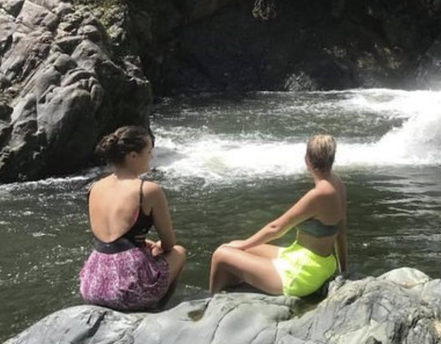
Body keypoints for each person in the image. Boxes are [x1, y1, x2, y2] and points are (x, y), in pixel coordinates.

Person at [209, 134, 347, 297]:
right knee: (234, 244)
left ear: (307, 160)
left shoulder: (318, 194)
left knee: (221, 254)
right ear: (332, 159)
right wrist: (343, 269)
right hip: (319, 262)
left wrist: (244, 245)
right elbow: (341, 229)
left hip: (302, 274)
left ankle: (210, 302)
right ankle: (230, 292)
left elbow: (276, 228)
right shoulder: (337, 183)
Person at [79, 125, 187, 310]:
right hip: (127, 292)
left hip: (91, 287)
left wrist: (144, 244)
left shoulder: (94, 187)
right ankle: (158, 308)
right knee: (178, 252)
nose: (151, 157)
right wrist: (158, 246)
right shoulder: (148, 190)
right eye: (148, 152)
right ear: (133, 156)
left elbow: (111, 236)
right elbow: (169, 243)